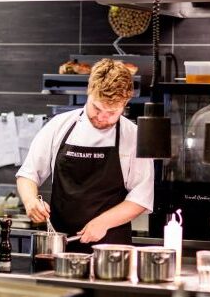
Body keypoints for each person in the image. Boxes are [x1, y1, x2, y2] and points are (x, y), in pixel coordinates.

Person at [16, 58, 154, 253]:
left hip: (111, 251)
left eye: (112, 112)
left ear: (125, 103)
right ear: (89, 92)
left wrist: (103, 222)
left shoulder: (133, 137)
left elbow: (141, 198)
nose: (102, 117)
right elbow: (28, 174)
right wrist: (30, 201)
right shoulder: (59, 126)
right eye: (97, 108)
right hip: (60, 245)